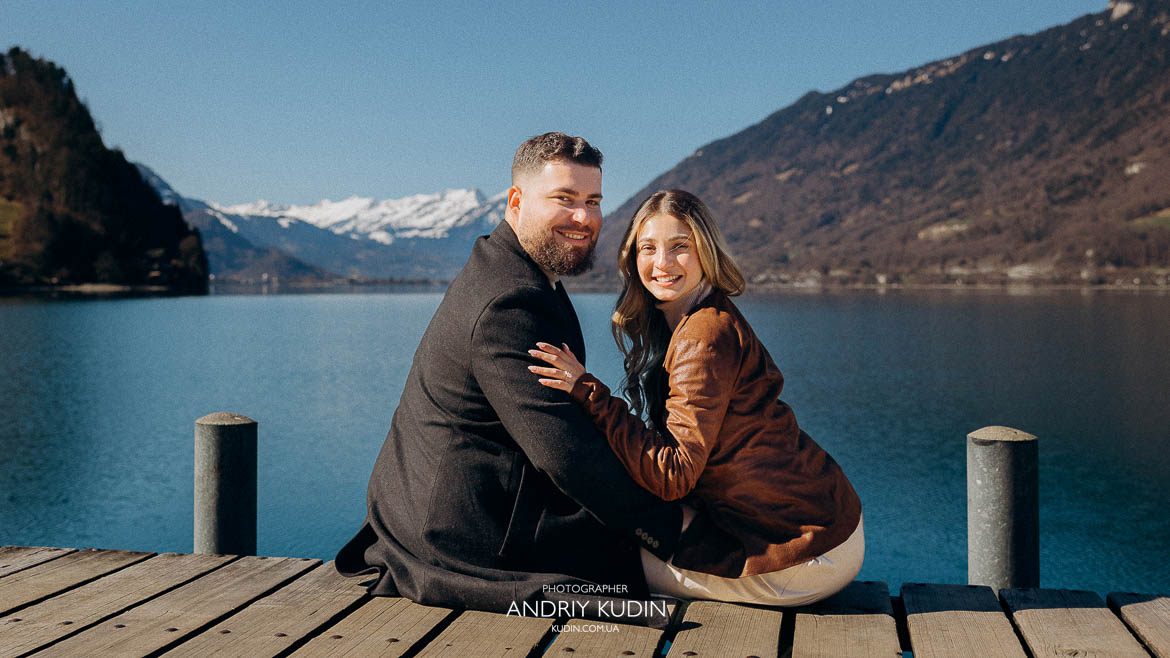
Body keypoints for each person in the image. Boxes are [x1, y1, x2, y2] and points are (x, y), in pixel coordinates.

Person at [334, 133, 684, 625]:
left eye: (593, 201)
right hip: (467, 535)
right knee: (697, 560)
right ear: (516, 202)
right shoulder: (509, 302)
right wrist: (670, 527)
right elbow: (564, 453)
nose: (584, 218)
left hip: (433, 509)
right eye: (564, 199)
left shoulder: (513, 271)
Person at [529, 189, 863, 606]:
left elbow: (674, 474)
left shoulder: (702, 336)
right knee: (623, 531)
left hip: (801, 555)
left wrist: (589, 393)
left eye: (679, 247)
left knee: (592, 562)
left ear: (706, 251)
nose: (662, 263)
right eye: (648, 248)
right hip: (819, 525)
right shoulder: (702, 316)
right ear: (634, 257)